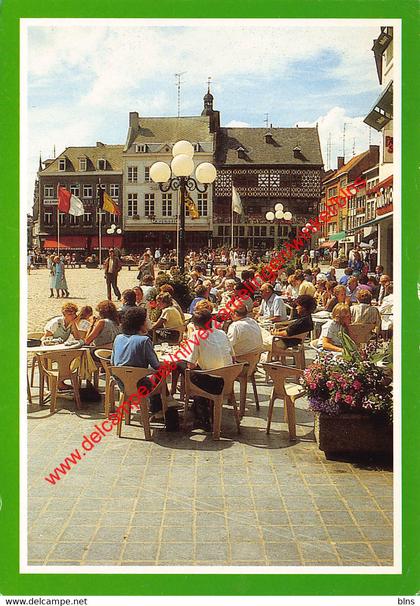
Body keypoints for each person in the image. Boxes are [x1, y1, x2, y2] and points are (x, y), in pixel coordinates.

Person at [111, 307, 163, 414]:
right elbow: (156, 365)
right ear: (141, 324)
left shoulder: (118, 338)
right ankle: (160, 409)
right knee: (160, 374)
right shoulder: (144, 340)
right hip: (140, 386)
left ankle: (160, 406)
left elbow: (113, 362)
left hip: (122, 384)